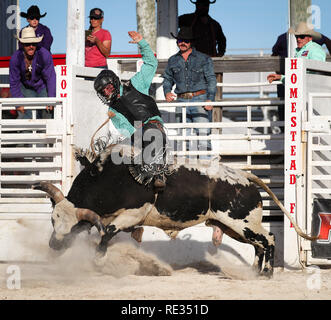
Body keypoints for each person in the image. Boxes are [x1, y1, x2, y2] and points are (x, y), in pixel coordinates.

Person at [93, 31, 167, 191]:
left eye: (107, 88)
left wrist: (143, 44)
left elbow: (151, 63)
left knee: (150, 134)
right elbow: (126, 130)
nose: (106, 92)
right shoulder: (112, 110)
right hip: (137, 137)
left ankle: (159, 172)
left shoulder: (136, 84)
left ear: (113, 83)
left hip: (153, 125)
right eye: (103, 91)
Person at [162, 27, 217, 159]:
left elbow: (211, 79)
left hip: (200, 99)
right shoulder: (172, 60)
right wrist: (167, 91)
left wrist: (210, 99)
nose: (183, 43)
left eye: (186, 41)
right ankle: (185, 170)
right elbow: (168, 78)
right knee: (182, 136)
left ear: (191, 42)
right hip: (181, 100)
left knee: (203, 134)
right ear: (177, 42)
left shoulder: (203, 59)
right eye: (180, 40)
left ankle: (205, 169)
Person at [268, 22, 326, 122]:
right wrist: (281, 78)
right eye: (297, 36)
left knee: (311, 127)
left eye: (302, 36)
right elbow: (297, 77)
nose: (298, 39)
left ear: (310, 38)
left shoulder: (315, 50)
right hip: (303, 96)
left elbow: (317, 75)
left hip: (311, 98)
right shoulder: (300, 51)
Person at [9, 27, 56, 119]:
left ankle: (47, 133)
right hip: (26, 87)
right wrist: (18, 103)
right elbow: (14, 82)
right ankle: (25, 132)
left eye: (33, 43)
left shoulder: (44, 54)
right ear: (22, 44)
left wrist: (51, 99)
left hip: (42, 86)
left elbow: (50, 78)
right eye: (27, 44)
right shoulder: (15, 58)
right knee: (27, 112)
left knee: (48, 111)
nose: (31, 46)